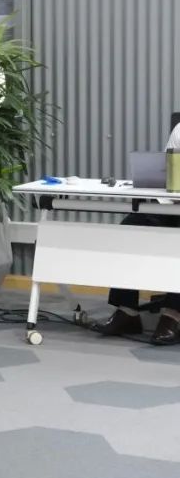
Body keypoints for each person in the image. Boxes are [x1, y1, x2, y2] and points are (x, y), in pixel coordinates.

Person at [94, 121, 180, 345]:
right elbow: (168, 172)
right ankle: (127, 312)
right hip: (173, 205)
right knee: (130, 227)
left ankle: (173, 316)